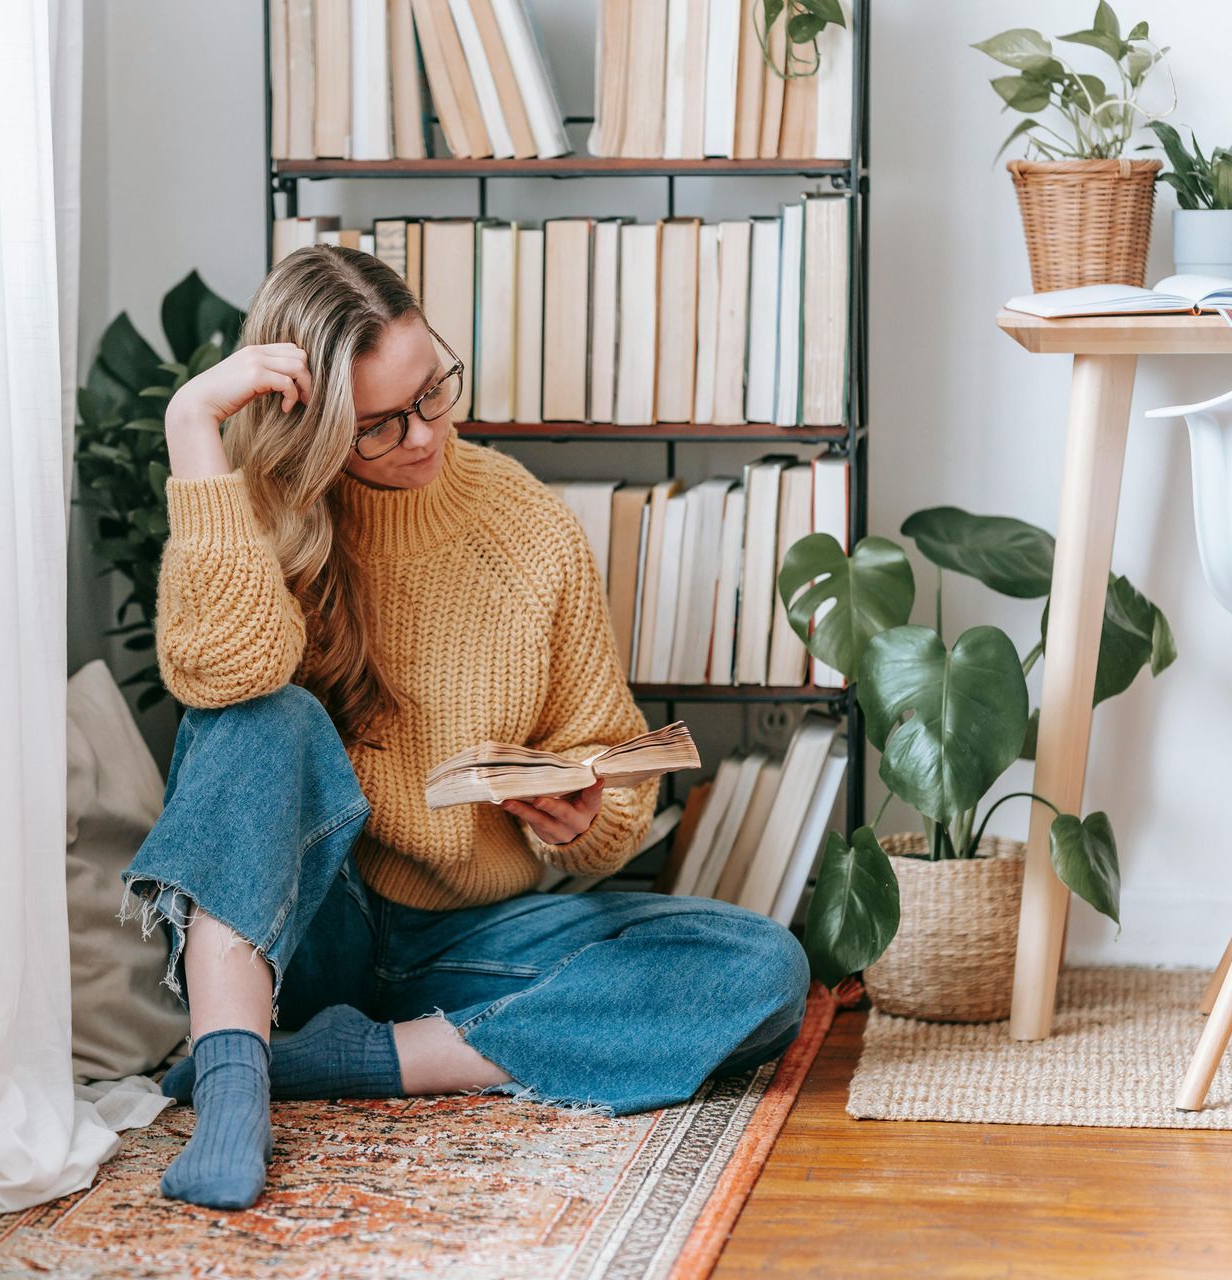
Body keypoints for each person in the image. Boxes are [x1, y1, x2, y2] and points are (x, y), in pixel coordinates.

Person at [121, 244, 809, 1211]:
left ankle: (343, 1059)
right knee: (260, 715)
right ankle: (234, 1086)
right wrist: (191, 424)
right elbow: (221, 673)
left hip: (472, 937)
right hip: (309, 924)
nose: (422, 433)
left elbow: (608, 768)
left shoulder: (525, 526)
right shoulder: (263, 513)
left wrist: (580, 814)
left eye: (433, 389)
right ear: (311, 426)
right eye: (378, 425)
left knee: (760, 970)